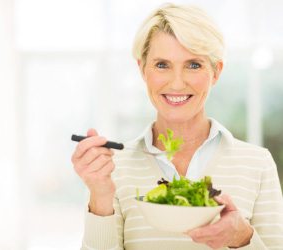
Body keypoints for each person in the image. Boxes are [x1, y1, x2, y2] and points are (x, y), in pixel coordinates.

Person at [71, 3, 283, 249]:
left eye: (194, 65)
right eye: (162, 65)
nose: (177, 83)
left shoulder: (257, 164)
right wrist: (100, 196)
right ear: (143, 69)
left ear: (216, 72)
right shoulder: (113, 168)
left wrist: (243, 239)